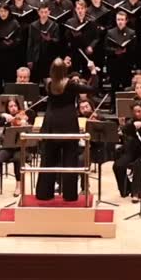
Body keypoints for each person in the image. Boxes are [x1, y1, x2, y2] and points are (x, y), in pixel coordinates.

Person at [35, 56, 98, 202]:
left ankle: (44, 193)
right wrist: (93, 71)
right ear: (65, 71)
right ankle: (69, 195)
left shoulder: (48, 83)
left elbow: (58, 77)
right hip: (68, 123)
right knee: (70, 159)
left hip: (50, 123)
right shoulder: (71, 84)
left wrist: (64, 67)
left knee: (48, 160)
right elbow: (92, 88)